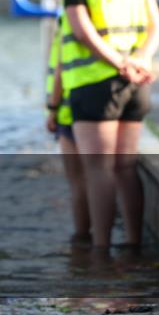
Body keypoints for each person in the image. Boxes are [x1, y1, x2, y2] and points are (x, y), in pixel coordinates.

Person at [59, 0, 159, 250]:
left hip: (94, 86)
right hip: (136, 85)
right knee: (125, 167)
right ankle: (134, 243)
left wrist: (120, 63)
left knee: (98, 170)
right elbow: (156, 24)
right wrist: (141, 60)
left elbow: (84, 33)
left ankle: (100, 252)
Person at [44, 15, 91, 247]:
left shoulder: (70, 17)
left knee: (78, 182)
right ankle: (110, 242)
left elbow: (62, 66)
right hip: (108, 96)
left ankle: (83, 239)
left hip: (70, 107)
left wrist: (52, 107)